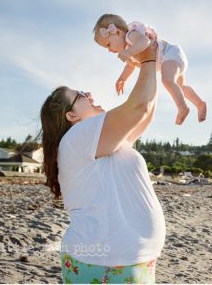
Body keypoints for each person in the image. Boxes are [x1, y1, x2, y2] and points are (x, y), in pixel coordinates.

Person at [39, 40, 165, 284]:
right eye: (81, 96)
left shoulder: (95, 140)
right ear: (71, 115)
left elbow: (145, 113)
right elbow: (139, 106)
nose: (89, 95)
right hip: (107, 261)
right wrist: (148, 59)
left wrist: (151, 64)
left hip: (123, 260)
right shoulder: (79, 135)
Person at [93, 13, 207, 125]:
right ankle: (200, 104)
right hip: (172, 60)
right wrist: (122, 78)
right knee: (181, 87)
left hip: (170, 54)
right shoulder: (130, 49)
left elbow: (145, 41)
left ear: (117, 32)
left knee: (167, 80)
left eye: (108, 45)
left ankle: (182, 107)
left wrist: (128, 52)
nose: (109, 50)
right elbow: (130, 65)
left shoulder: (130, 35)